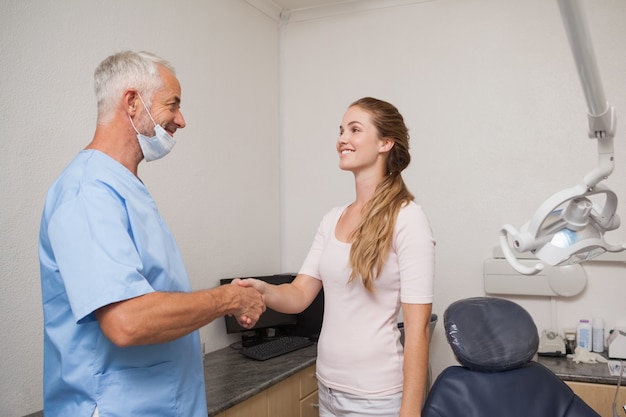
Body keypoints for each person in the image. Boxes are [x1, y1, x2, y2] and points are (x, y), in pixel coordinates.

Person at [38, 50, 265, 417]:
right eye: (172, 105)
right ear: (131, 102)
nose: (181, 119)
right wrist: (228, 299)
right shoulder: (88, 193)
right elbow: (128, 321)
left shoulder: (124, 187)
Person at [237, 97, 435, 417]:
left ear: (385, 142)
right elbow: (299, 294)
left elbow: (418, 328)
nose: (342, 139)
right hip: (328, 390)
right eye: (341, 130)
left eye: (355, 130)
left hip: (376, 398)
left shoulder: (408, 218)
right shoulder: (332, 219)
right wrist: (263, 290)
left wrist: (410, 413)